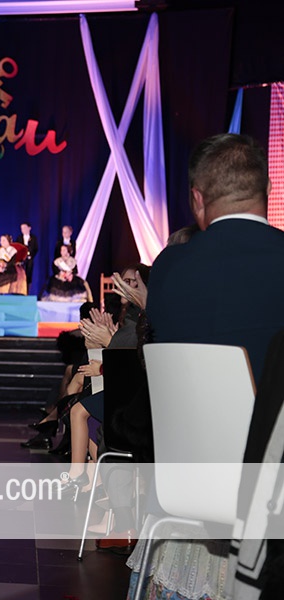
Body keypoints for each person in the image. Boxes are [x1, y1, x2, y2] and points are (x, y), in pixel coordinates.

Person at [137, 134, 284, 599]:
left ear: (197, 200)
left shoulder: (169, 268)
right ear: (268, 191)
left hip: (187, 482)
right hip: (270, 489)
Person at [19, 221, 38, 289]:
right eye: (22, 228)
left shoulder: (33, 238)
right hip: (21, 259)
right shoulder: (19, 238)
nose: (23, 230)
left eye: (24, 228)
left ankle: (27, 289)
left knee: (29, 274)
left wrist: (31, 255)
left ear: (29, 228)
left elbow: (36, 248)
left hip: (29, 260)